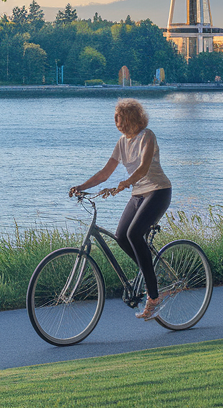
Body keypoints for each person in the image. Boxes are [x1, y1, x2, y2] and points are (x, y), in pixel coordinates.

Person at [69, 98, 173, 320]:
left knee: (134, 234)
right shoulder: (121, 142)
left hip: (158, 191)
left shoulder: (147, 136)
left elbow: (144, 167)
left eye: (118, 116)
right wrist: (81, 186)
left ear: (129, 117)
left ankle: (153, 297)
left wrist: (125, 182)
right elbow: (104, 173)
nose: (115, 120)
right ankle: (151, 274)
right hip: (138, 194)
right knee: (121, 236)